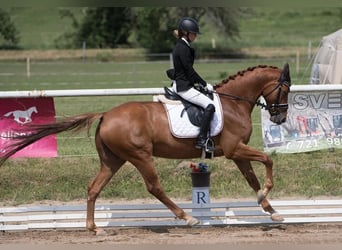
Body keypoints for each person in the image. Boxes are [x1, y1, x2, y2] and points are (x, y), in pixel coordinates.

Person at [171, 17, 215, 150]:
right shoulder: (183, 48)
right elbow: (189, 71)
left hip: (184, 83)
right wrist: (204, 83)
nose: (195, 36)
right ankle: (201, 140)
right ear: (186, 33)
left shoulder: (183, 45)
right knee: (210, 105)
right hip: (184, 87)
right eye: (193, 33)